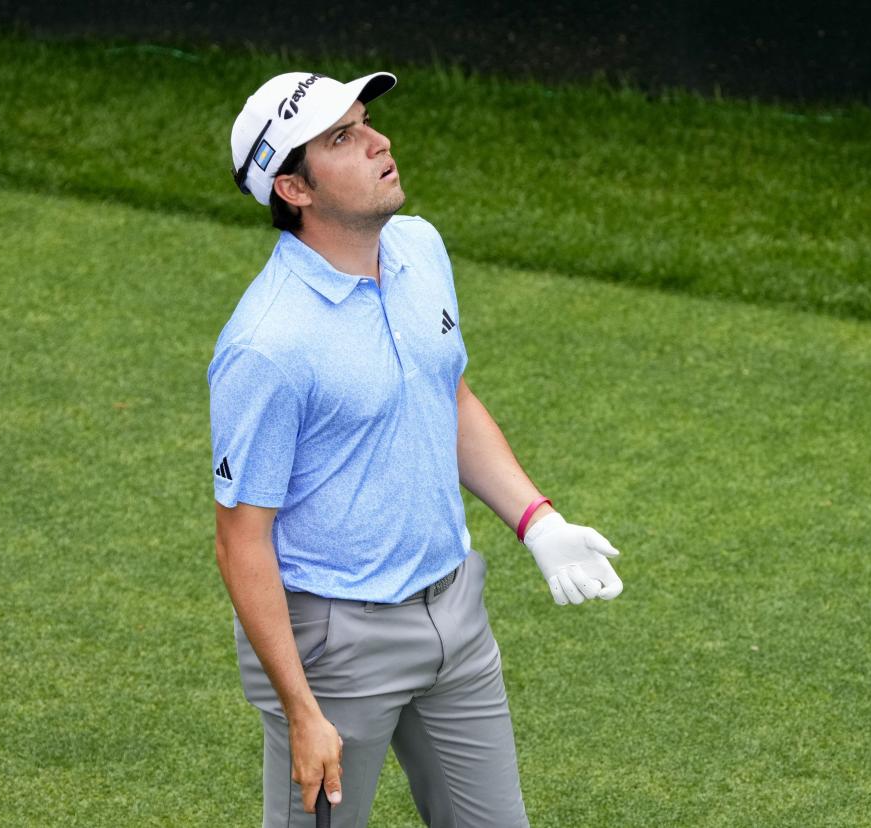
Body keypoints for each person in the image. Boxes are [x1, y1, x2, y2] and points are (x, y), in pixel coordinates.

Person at [209, 70, 624, 828]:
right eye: (342, 138)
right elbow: (242, 541)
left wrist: (538, 522)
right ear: (294, 191)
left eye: (366, 122)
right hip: (334, 648)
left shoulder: (418, 248)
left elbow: (450, 396)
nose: (378, 142)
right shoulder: (267, 345)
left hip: (455, 615)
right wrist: (301, 711)